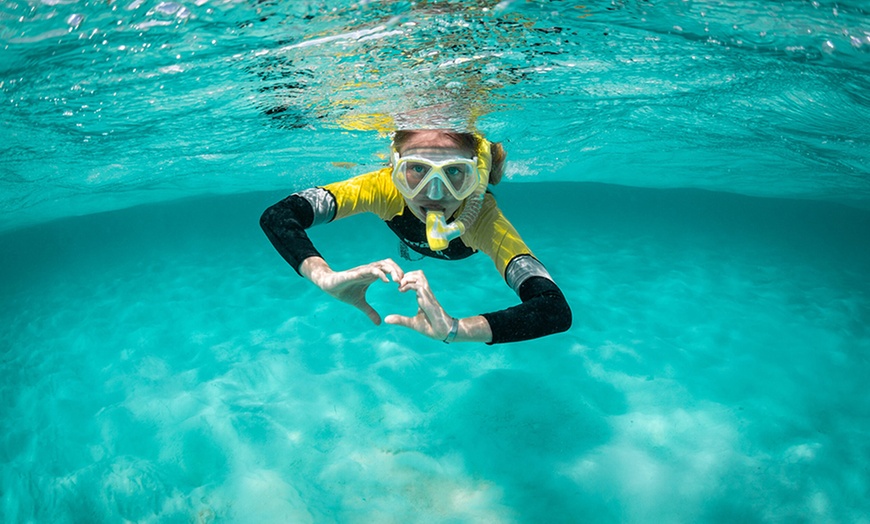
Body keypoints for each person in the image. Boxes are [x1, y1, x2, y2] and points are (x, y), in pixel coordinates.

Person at [260, 129, 571, 344]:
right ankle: (411, 247)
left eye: (453, 172)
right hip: (409, 238)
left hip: (457, 249)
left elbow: (553, 309)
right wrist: (323, 277)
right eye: (417, 170)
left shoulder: (485, 220)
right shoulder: (383, 187)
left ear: (475, 180)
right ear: (395, 170)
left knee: (412, 246)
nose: (434, 194)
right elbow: (278, 216)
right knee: (411, 247)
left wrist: (456, 329)